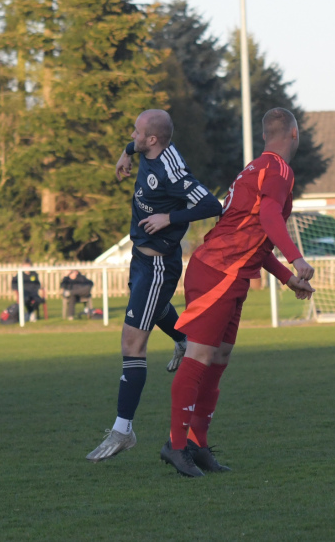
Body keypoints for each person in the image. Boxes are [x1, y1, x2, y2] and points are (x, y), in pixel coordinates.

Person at [160, 108, 316, 477]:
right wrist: (296, 259)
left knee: (217, 362)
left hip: (231, 274)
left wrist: (284, 276)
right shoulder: (278, 170)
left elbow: (252, 235)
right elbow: (269, 219)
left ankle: (197, 445)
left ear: (266, 135)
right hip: (218, 271)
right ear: (294, 133)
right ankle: (175, 445)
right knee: (198, 357)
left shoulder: (256, 167)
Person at [86, 109, 222, 463]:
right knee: (153, 308)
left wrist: (170, 217)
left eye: (137, 132)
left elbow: (212, 204)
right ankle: (181, 340)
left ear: (153, 140)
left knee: (132, 344)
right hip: (141, 257)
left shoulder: (171, 169)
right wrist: (125, 152)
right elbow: (135, 143)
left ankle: (123, 430)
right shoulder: (146, 148)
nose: (132, 135)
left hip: (159, 264)